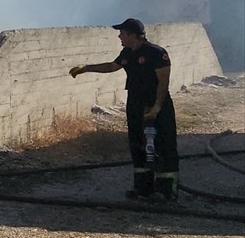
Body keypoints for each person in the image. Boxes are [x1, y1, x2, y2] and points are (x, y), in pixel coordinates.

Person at [69, 18, 179, 200]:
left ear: (134, 35)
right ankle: (144, 188)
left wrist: (157, 106)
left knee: (163, 143)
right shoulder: (127, 53)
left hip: (156, 103)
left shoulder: (156, 53)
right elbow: (112, 66)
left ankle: (167, 191)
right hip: (135, 102)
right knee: (138, 143)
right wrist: (86, 68)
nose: (119, 36)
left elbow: (163, 82)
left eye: (122, 33)